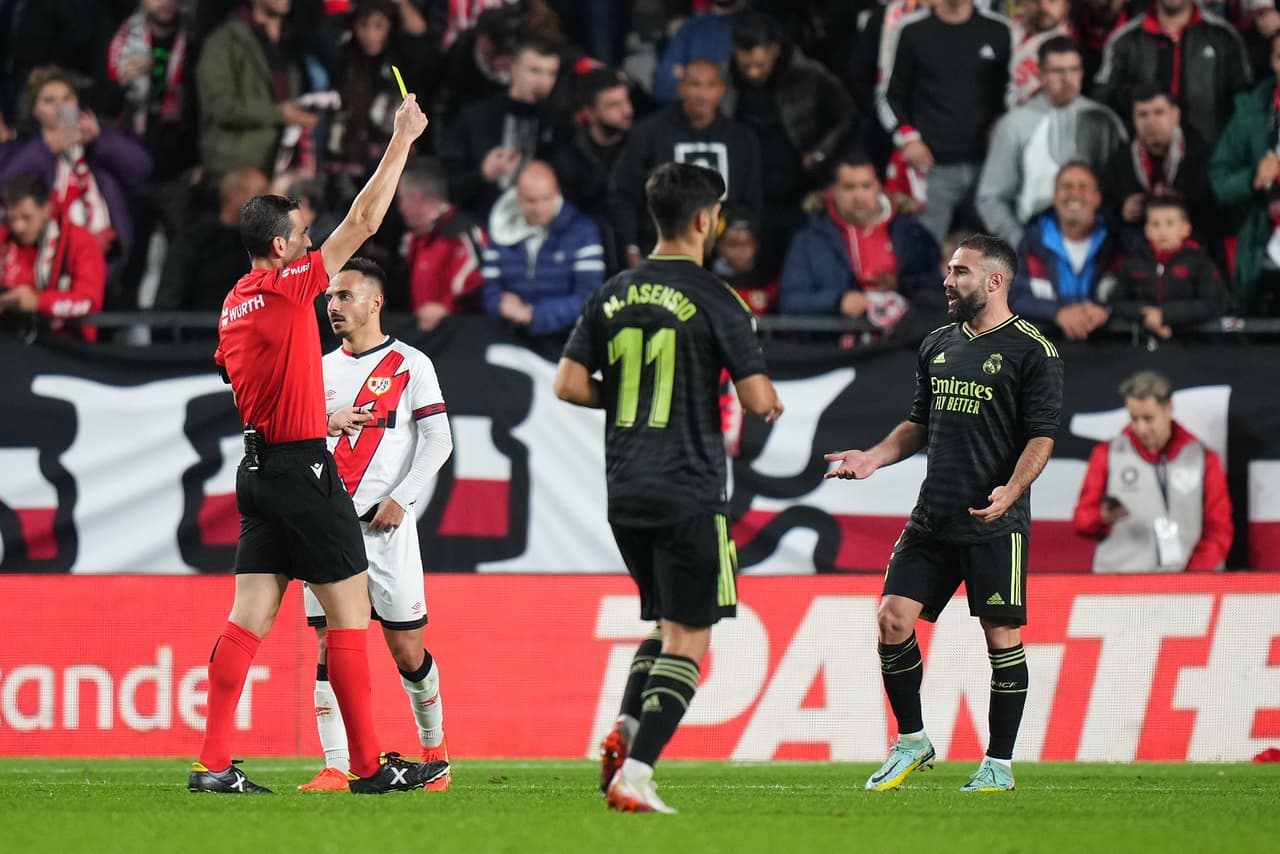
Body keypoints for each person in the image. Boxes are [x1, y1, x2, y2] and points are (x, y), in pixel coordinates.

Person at [189, 90, 447, 795]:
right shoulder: (286, 288)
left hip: (257, 465)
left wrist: (313, 416)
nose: (311, 244)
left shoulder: (235, 300)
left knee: (248, 622)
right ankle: (368, 767)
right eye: (301, 235)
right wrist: (402, 136)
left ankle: (213, 765)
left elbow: (247, 377)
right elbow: (365, 218)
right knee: (348, 616)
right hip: (304, 473)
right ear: (280, 247)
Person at [554, 162, 783, 813]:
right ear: (708, 220)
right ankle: (639, 772)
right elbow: (756, 395)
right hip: (689, 487)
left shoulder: (612, 293)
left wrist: (630, 400)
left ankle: (625, 735)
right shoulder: (717, 297)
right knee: (693, 636)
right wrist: (769, 402)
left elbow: (567, 384)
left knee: (665, 623)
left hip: (625, 490)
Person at [825, 234, 1063, 793]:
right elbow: (919, 423)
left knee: (1000, 639)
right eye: (949, 271)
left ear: (995, 281)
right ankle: (912, 741)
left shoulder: (1034, 350)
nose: (948, 281)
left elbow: (1042, 437)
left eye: (960, 272)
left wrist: (1011, 489)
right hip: (932, 517)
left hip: (993, 522)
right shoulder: (936, 344)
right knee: (890, 618)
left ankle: (998, 765)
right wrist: (873, 458)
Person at [297, 257, 455, 792]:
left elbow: (439, 440)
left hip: (386, 530)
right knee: (328, 644)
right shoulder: (316, 370)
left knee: (407, 651)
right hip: (328, 529)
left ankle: (435, 752)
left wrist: (402, 499)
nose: (332, 305)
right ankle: (337, 766)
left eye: (344, 296)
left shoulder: (412, 364)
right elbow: (297, 441)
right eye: (330, 297)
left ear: (375, 302)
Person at [1073, 369, 1232, 572]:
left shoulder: (1201, 458)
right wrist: (1101, 516)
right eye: (1134, 418)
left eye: (1148, 418)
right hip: (1117, 582)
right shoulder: (1108, 454)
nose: (1140, 428)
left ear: (1168, 409)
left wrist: (1192, 577)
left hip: (1183, 584)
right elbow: (1082, 520)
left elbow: (1219, 529)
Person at [977, 36, 1127, 249]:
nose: (1068, 79)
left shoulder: (1104, 121)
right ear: (1040, 75)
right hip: (1035, 242)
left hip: (1097, 245)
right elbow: (990, 198)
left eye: (1074, 70)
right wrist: (1020, 242)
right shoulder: (1015, 124)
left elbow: (1121, 189)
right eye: (1057, 71)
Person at [610, 59, 762, 268]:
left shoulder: (742, 138)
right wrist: (631, 246)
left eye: (710, 85)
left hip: (722, 250)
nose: (702, 94)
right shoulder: (647, 133)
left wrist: (739, 232)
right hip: (660, 249)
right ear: (681, 88)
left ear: (721, 90)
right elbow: (625, 194)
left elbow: (752, 199)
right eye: (695, 84)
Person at [778, 151, 939, 330]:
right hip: (836, 350)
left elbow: (938, 292)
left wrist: (901, 285)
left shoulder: (912, 233)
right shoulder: (809, 240)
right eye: (849, 187)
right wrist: (838, 302)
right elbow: (790, 302)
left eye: (866, 186)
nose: (859, 196)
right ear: (833, 191)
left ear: (879, 187)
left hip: (902, 348)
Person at [1093, 0, 1250, 150]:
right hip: (1142, 161)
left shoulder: (1223, 37)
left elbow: (1244, 105)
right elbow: (1102, 102)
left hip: (1209, 158)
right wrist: (1136, 97)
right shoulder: (1125, 39)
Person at [483, 160, 604, 338]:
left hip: (568, 338)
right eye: (531, 200)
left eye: (547, 198)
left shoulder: (582, 231)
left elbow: (589, 297)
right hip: (513, 335)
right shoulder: (501, 228)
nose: (539, 208)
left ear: (557, 193)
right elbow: (490, 289)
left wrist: (532, 314)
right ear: (518, 197)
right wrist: (500, 305)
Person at [1010, 161, 1126, 338]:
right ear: (1055, 198)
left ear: (1097, 198)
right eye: (1067, 186)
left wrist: (1107, 309)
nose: (1075, 193)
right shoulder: (1032, 242)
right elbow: (1013, 297)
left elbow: (1140, 291)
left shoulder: (1119, 243)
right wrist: (1058, 313)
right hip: (1049, 348)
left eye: (1084, 187)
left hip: (1108, 350)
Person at [0, 173, 105, 341]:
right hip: (12, 340)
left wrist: (38, 302)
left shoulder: (80, 242)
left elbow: (88, 304)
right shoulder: (4, 237)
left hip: (65, 345)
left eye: (26, 218)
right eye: (12, 219)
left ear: (47, 209)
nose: (18, 227)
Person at [1110, 193, 1230, 339]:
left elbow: (1214, 303)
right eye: (1155, 224)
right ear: (1147, 231)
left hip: (1192, 346)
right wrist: (1145, 314)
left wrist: (1166, 315)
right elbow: (1115, 303)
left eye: (1170, 223)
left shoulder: (1200, 262)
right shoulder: (1133, 263)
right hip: (1141, 347)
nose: (1162, 231)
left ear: (1186, 229)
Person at [395, 157, 487, 332]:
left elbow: (483, 285)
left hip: (462, 338)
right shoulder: (413, 238)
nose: (401, 208)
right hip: (423, 341)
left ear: (417, 198)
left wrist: (447, 309)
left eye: (402, 200)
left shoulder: (463, 232)